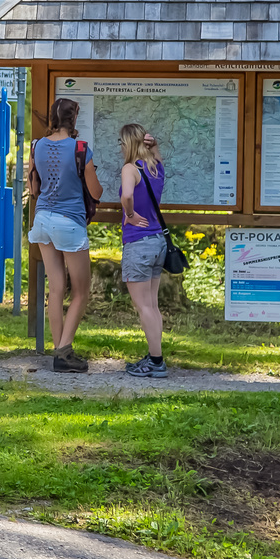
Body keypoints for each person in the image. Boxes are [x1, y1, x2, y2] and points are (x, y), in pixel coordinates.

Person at [27, 96, 102, 372]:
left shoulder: (37, 146)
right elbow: (95, 192)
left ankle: (61, 352)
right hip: (69, 222)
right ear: (74, 119)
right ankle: (64, 350)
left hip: (43, 220)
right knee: (81, 291)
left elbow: (34, 189)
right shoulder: (81, 148)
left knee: (56, 289)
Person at [118, 123, 169, 378]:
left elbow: (127, 195)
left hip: (138, 243)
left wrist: (129, 214)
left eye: (121, 143)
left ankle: (157, 362)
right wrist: (154, 143)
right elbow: (156, 152)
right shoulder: (155, 167)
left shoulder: (130, 169)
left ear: (128, 143)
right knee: (152, 305)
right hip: (158, 241)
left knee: (144, 307)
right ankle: (154, 355)